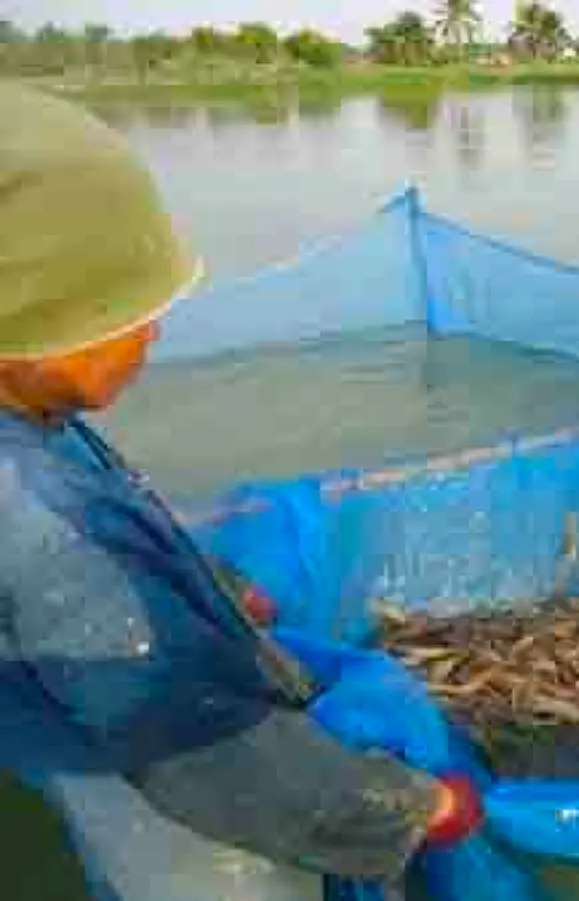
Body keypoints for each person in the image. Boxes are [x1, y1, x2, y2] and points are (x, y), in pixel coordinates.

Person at [0, 84, 480, 890]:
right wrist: (419, 807)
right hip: (151, 795)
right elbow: (208, 752)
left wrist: (219, 590)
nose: (153, 332)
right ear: (31, 331)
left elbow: (116, 535)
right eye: (125, 315)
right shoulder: (36, 521)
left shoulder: (32, 418)